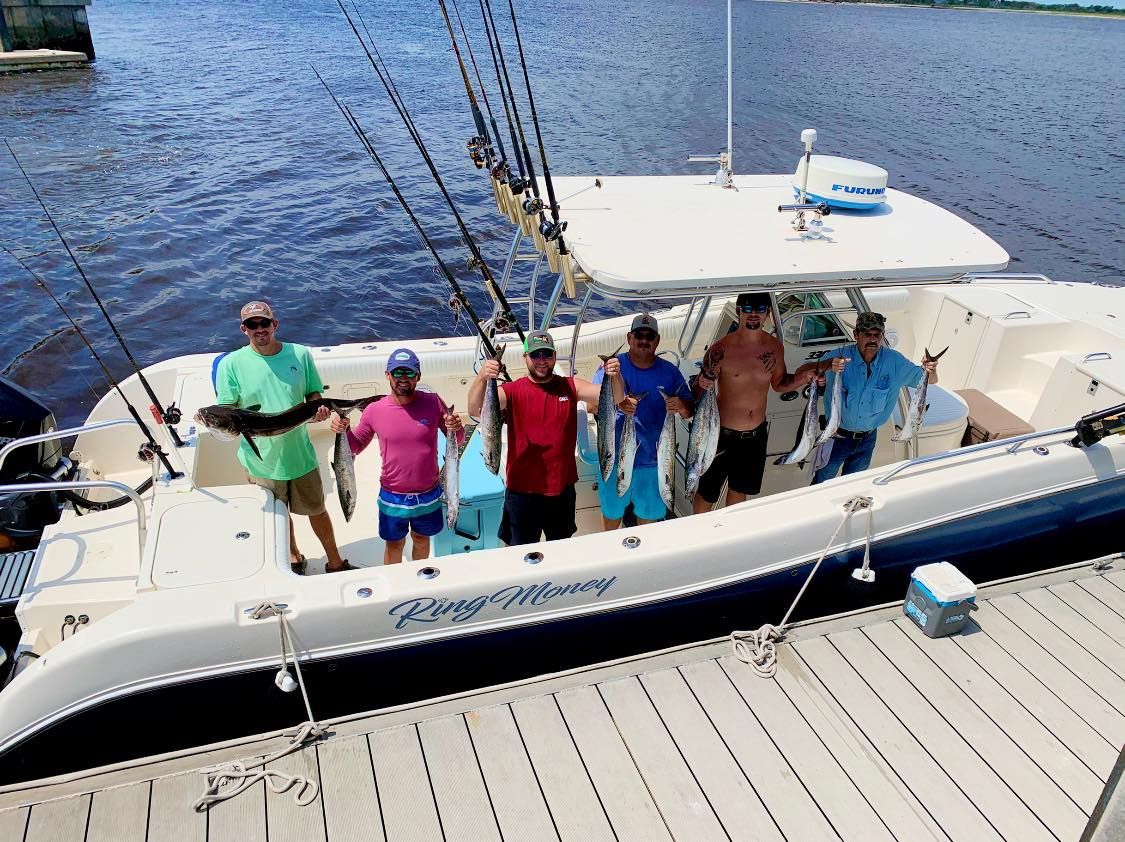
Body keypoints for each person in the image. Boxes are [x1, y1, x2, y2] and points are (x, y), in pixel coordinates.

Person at [214, 301, 349, 575]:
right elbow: (226, 410)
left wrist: (318, 408)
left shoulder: (299, 355)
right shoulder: (231, 364)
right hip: (261, 461)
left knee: (317, 509)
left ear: (275, 324)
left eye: (264, 322)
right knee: (279, 515)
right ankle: (294, 556)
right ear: (244, 329)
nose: (259, 329)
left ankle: (335, 561)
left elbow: (313, 394)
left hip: (299, 454)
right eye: (252, 325)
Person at [467, 330, 619, 546]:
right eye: (535, 355)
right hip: (521, 491)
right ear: (525, 358)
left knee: (560, 548)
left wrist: (614, 375)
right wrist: (483, 377)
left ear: (555, 356)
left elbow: (617, 397)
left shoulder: (571, 386)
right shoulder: (512, 390)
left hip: (562, 489)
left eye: (547, 354)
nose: (541, 361)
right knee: (519, 551)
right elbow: (475, 409)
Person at [331, 348, 463, 565]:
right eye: (397, 373)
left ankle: (419, 577)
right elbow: (355, 446)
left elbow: (456, 440)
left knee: (421, 539)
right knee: (394, 544)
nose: (403, 379)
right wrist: (343, 431)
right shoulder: (374, 410)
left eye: (410, 373)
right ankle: (394, 581)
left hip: (428, 492)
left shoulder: (432, 402)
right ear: (387, 375)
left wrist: (455, 427)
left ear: (418, 376)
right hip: (392, 495)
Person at [693, 292, 818, 513]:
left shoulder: (775, 347)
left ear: (767, 314)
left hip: (755, 436)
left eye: (760, 309)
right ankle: (699, 535)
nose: (753, 315)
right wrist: (702, 383)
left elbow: (779, 384)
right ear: (739, 311)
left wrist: (804, 378)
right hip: (719, 434)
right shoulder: (720, 350)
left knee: (740, 490)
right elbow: (699, 392)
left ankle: (730, 535)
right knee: (706, 491)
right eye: (748, 309)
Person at [796, 311, 939, 483]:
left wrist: (931, 368)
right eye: (867, 334)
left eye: (877, 334)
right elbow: (800, 372)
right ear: (856, 335)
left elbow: (930, 380)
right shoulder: (837, 356)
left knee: (853, 484)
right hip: (835, 437)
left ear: (882, 336)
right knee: (821, 483)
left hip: (867, 439)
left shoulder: (894, 361)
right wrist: (826, 366)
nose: (872, 339)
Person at [593, 313, 693, 530]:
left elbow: (689, 411)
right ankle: (610, 553)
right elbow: (594, 407)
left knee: (648, 518)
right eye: (639, 335)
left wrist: (681, 405)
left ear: (657, 341)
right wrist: (619, 403)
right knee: (611, 514)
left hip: (655, 461)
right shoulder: (612, 368)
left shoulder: (670, 373)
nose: (644, 340)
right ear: (630, 337)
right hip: (614, 457)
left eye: (650, 336)